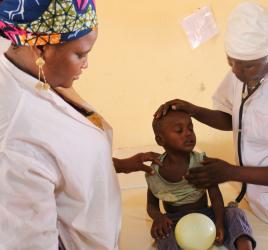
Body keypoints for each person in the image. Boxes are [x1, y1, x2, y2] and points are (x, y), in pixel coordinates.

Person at [154, 2, 268, 250]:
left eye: (247, 65)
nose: (237, 72)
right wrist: (194, 111)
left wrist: (231, 172)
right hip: (257, 197)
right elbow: (233, 119)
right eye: (231, 61)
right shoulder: (242, 73)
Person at [0, 1, 160, 249]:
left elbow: (62, 164)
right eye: (81, 54)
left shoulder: (24, 59)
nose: (86, 65)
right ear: (41, 49)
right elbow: (30, 241)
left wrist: (116, 165)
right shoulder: (16, 141)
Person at [146, 110, 256, 250]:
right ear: (160, 140)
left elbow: (215, 197)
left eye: (190, 128)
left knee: (235, 213)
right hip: (174, 220)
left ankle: (244, 247)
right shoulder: (154, 171)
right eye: (179, 130)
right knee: (162, 233)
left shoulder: (201, 162)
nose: (188, 133)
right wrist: (158, 217)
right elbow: (151, 204)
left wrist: (220, 223)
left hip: (206, 213)